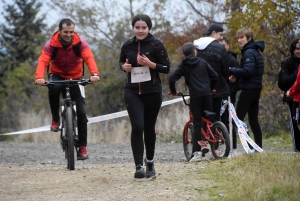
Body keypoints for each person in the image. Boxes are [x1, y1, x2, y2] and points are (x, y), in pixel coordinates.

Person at [35, 18, 100, 160]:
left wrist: (94, 74)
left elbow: (89, 57)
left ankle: (82, 147)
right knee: (53, 87)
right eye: (66, 32)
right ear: (59, 31)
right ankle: (55, 119)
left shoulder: (80, 43)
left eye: (71, 32)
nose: (69, 35)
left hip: (75, 77)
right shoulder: (51, 45)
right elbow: (43, 61)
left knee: (82, 113)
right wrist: (39, 77)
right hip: (57, 75)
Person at [119, 14, 170, 178]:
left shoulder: (156, 44)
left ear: (149, 28)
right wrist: (124, 67)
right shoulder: (127, 45)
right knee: (137, 126)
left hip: (152, 92)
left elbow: (167, 68)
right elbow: (121, 62)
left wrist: (150, 64)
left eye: (143, 27)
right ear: (133, 28)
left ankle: (150, 162)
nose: (140, 31)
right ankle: (138, 166)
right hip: (132, 91)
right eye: (137, 27)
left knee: (149, 128)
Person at [169, 42, 218, 162]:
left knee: (197, 122)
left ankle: (197, 152)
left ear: (184, 54)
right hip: (207, 94)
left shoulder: (183, 65)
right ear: (195, 51)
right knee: (210, 120)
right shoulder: (202, 62)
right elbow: (215, 76)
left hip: (195, 96)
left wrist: (174, 91)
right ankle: (215, 148)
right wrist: (211, 88)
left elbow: (172, 78)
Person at [229, 27, 264, 150]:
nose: (239, 40)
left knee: (237, 120)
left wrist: (232, 70)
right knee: (253, 120)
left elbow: (248, 71)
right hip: (255, 89)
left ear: (249, 38)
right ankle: (258, 147)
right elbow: (252, 72)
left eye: (242, 38)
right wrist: (237, 77)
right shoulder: (254, 51)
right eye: (238, 38)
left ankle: (251, 146)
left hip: (249, 90)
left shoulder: (249, 52)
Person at [193, 24, 231, 123]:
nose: (222, 38)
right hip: (216, 88)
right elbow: (225, 69)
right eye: (220, 34)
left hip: (198, 88)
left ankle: (202, 137)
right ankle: (217, 136)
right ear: (213, 33)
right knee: (215, 118)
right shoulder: (220, 48)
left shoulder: (195, 46)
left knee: (201, 118)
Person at [220, 37, 240, 156]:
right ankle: (224, 148)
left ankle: (234, 148)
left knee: (230, 122)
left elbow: (237, 80)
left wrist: (230, 92)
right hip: (220, 95)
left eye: (224, 45)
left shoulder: (232, 60)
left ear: (228, 45)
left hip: (229, 96)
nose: (222, 47)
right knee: (221, 121)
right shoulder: (218, 59)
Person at [281, 38, 300, 152]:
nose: (299, 51)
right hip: (292, 97)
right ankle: (297, 148)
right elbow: (283, 81)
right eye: (297, 49)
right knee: (295, 123)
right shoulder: (287, 62)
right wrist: (296, 73)